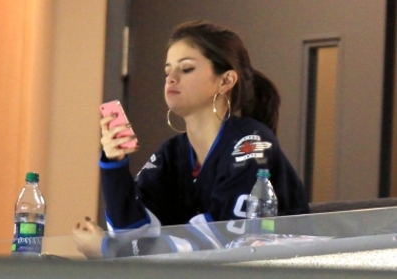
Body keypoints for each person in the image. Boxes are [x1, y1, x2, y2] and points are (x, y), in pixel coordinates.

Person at [73, 20, 310, 259]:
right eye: (167, 71)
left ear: (226, 80)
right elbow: (133, 235)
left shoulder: (251, 142)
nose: (171, 78)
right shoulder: (172, 153)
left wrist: (106, 249)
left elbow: (224, 241)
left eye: (186, 69)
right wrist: (114, 164)